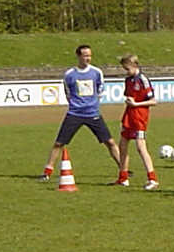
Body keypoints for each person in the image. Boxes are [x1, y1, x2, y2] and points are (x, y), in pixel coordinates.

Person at [39, 45, 123, 182]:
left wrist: (92, 104)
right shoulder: (69, 74)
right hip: (75, 113)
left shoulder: (97, 72)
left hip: (93, 113)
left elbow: (100, 90)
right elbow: (68, 93)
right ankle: (47, 171)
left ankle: (123, 169)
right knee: (59, 143)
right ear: (78, 56)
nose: (88, 58)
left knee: (110, 142)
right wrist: (77, 105)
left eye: (89, 55)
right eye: (85, 55)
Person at [115, 54, 160, 190]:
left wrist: (136, 104)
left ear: (135, 66)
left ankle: (152, 179)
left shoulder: (143, 80)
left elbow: (153, 101)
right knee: (122, 145)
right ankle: (123, 178)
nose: (126, 71)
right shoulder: (128, 80)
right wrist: (130, 102)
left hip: (140, 117)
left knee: (141, 147)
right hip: (129, 116)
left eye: (127, 69)